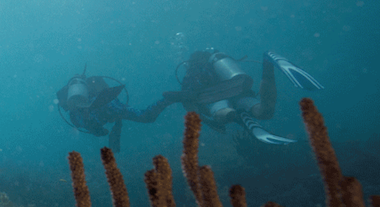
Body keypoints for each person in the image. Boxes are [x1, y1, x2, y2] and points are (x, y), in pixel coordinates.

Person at [162, 49, 323, 145]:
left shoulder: (191, 74)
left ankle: (236, 115)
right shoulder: (216, 65)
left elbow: (190, 103)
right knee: (265, 111)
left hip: (215, 101)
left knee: (223, 114)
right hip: (239, 91)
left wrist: (210, 121)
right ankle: (268, 61)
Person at [55, 72, 175, 152]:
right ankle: (167, 100)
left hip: (101, 109)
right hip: (109, 105)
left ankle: (167, 99)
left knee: (96, 127)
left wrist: (97, 125)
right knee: (146, 117)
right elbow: (96, 127)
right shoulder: (80, 112)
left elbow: (96, 129)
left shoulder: (75, 115)